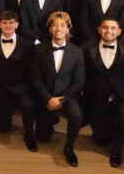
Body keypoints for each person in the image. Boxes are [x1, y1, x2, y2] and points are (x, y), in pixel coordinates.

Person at [31, 11, 85, 166]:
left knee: (76, 116)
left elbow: (79, 82)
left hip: (66, 96)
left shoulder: (77, 51)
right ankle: (48, 121)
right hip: (45, 95)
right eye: (54, 25)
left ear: (68, 29)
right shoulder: (39, 49)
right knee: (43, 138)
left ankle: (69, 148)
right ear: (49, 29)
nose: (58, 29)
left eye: (63, 25)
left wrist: (62, 99)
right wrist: (48, 98)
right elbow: (34, 77)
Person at [82, 18, 124, 167]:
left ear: (119, 32)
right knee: (100, 140)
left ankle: (117, 149)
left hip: (122, 96)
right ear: (99, 30)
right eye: (105, 27)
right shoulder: (87, 48)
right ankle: (110, 128)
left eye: (113, 28)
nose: (109, 31)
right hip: (98, 98)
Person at [0, 11, 37, 152]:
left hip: (20, 86)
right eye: (4, 22)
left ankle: (29, 134)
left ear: (17, 24)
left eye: (11, 22)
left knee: (28, 104)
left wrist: (30, 89)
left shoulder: (27, 44)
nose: (8, 25)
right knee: (2, 127)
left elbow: (31, 70)